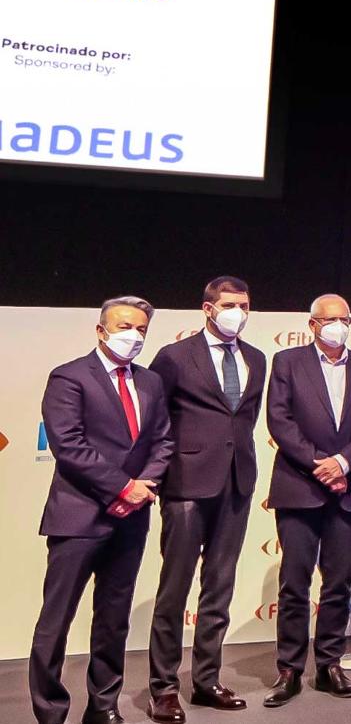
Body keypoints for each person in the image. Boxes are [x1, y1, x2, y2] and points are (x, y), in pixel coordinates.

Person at [30, 296, 173, 724]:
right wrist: (122, 486)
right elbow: (68, 445)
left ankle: (103, 705)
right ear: (100, 330)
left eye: (141, 329)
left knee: (113, 619)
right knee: (56, 621)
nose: (134, 336)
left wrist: (143, 486)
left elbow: (163, 441)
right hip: (79, 517)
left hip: (131, 521)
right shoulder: (70, 377)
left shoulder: (150, 383)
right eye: (125, 326)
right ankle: (51, 712)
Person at [145, 277, 267, 723]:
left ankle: (206, 680)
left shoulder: (256, 357)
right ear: (208, 308)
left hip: (236, 484)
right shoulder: (175, 357)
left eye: (245, 304)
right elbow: (154, 419)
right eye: (230, 304)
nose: (238, 311)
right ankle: (163, 688)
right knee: (174, 591)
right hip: (185, 486)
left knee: (219, 589)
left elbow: (246, 420)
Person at [262, 295, 351, 707]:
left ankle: (330, 663)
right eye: (329, 319)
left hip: (347, 488)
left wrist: (344, 464)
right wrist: (320, 464)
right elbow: (279, 419)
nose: (338, 325)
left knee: (339, 583)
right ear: (312, 325)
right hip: (300, 486)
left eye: (344, 319)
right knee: (295, 583)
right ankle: (290, 669)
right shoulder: (287, 362)